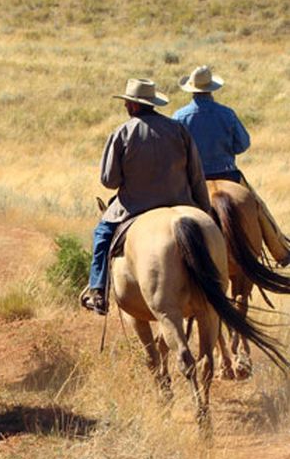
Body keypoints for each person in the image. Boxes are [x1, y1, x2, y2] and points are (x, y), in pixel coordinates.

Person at [81, 78, 211, 314]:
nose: (126, 107)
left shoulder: (123, 132)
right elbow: (196, 174)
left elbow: (109, 181)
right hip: (181, 203)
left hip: (134, 208)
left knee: (102, 235)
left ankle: (98, 291)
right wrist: (204, 210)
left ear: (134, 106)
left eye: (128, 103)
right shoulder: (178, 129)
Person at [172, 65, 290, 265]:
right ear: (212, 89)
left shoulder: (180, 117)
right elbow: (243, 143)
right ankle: (281, 251)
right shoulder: (227, 114)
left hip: (193, 180)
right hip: (229, 175)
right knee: (258, 206)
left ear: (191, 90)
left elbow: (174, 151)